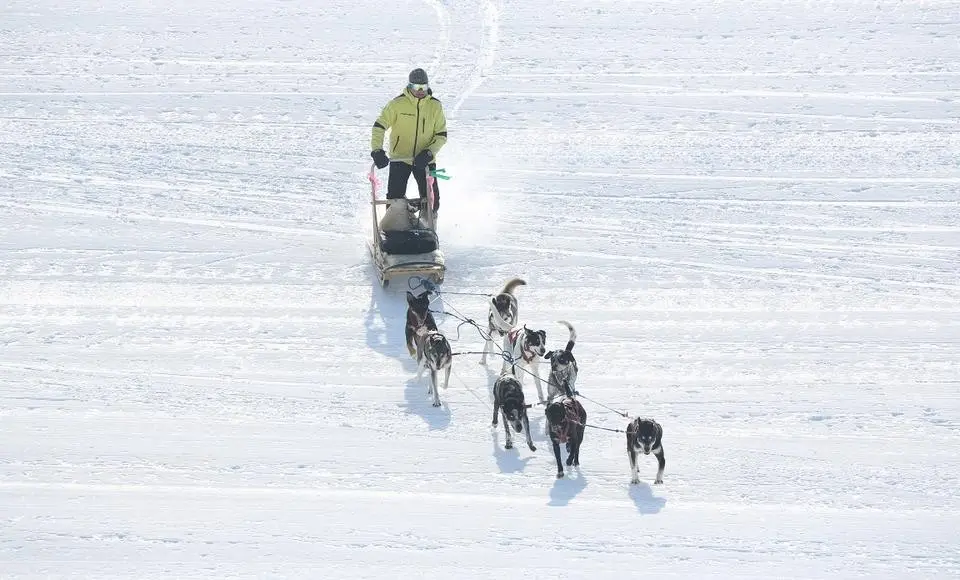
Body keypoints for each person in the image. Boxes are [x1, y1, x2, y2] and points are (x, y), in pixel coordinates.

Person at [370, 68, 447, 214]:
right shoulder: (397, 104)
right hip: (400, 158)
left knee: (433, 201)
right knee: (394, 200)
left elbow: (441, 135)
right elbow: (379, 127)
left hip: (425, 160)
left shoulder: (435, 106)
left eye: (423, 87)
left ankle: (427, 223)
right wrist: (377, 150)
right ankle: (395, 225)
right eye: (416, 87)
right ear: (409, 86)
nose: (420, 91)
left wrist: (429, 153)